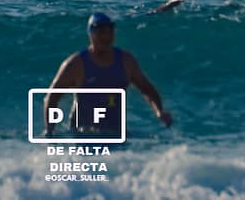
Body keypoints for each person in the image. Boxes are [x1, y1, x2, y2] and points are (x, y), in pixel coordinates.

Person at [44, 13, 172, 137]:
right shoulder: (76, 64)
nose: (105, 37)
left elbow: (146, 88)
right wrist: (50, 130)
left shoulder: (126, 61)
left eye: (109, 32)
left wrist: (159, 111)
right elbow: (52, 97)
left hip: (116, 134)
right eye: (100, 33)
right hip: (83, 134)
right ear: (90, 34)